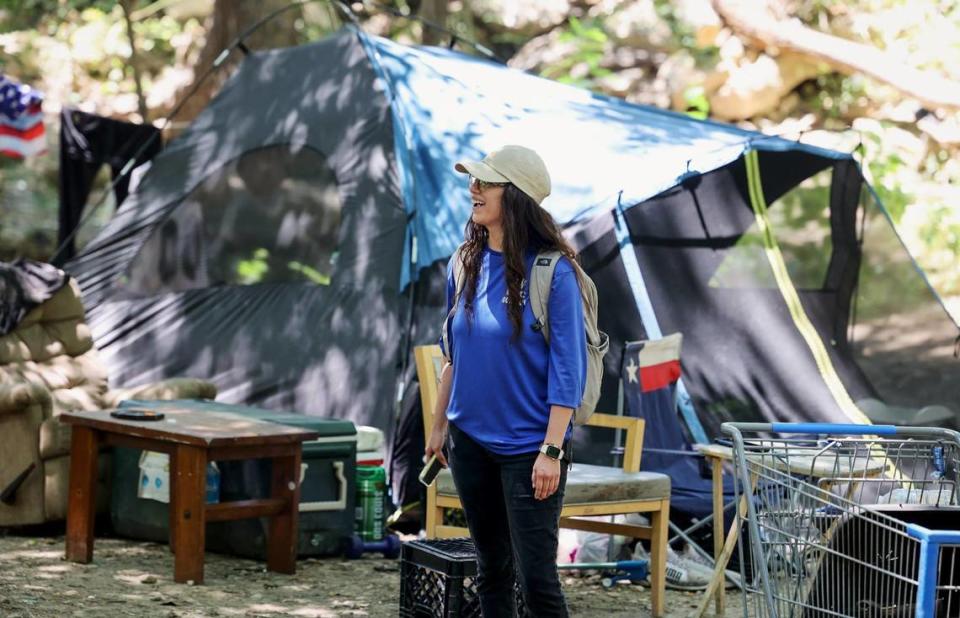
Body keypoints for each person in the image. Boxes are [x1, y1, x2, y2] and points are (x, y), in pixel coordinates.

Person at [425, 145, 587, 617]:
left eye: (485, 182)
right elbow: (454, 356)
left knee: (537, 581)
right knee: (491, 570)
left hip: (529, 449)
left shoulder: (554, 272)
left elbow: (568, 370)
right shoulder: (463, 262)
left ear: (514, 197)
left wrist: (551, 451)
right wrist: (438, 429)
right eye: (473, 181)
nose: (472, 189)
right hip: (469, 440)